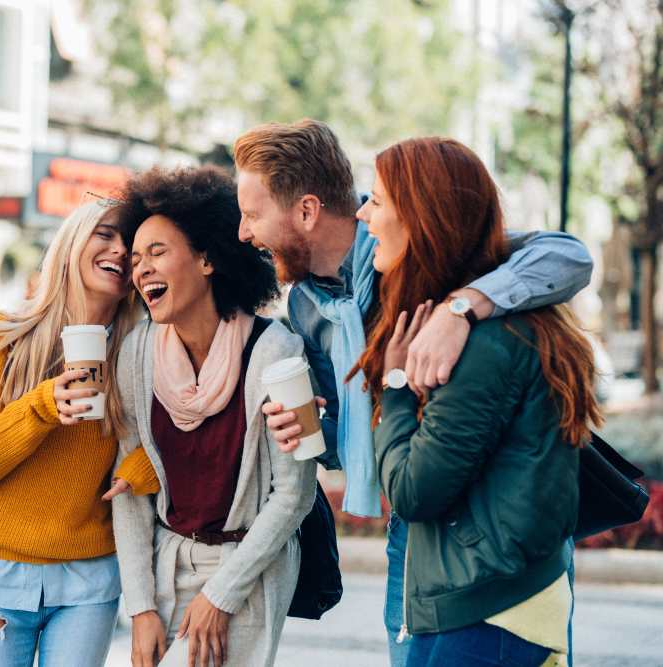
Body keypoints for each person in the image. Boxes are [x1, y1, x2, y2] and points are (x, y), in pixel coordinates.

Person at [233, 119, 593, 666]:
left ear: (306, 211)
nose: (244, 232)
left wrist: (463, 306)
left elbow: (567, 256)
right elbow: (363, 431)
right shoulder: (307, 307)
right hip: (417, 528)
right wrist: (316, 431)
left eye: (253, 214)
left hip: (486, 542)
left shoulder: (421, 247)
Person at [357, 136, 600, 666]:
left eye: (376, 201)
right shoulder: (457, 319)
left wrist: (397, 388)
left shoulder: (481, 342)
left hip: (488, 609)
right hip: (476, 598)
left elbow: (413, 491)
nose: (363, 216)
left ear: (422, 217)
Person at [109, 166, 316, 667]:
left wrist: (220, 596)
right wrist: (140, 608)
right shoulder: (135, 355)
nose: (142, 270)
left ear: (206, 259)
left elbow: (295, 493)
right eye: (136, 259)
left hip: (247, 571)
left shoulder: (277, 351)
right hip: (166, 565)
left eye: (158, 252)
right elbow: (131, 488)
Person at [0, 200, 142, 666]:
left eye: (132, 245)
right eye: (107, 234)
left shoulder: (140, 352)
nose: (120, 249)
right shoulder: (1, 339)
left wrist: (140, 468)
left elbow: (158, 444)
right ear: (73, 242)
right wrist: (42, 406)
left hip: (88, 580)